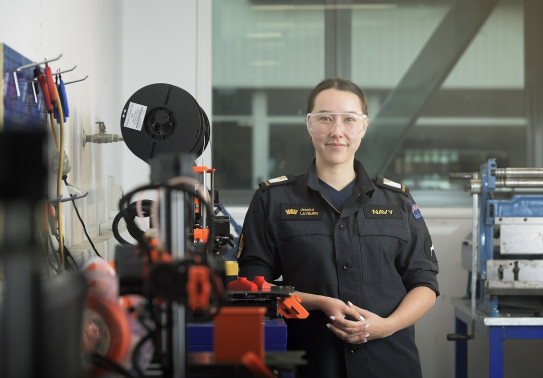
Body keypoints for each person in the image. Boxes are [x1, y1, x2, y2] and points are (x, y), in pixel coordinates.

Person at [236, 78, 439, 378]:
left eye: (348, 120)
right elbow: (253, 284)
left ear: (364, 126)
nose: (337, 131)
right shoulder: (272, 199)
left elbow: (425, 283)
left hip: (390, 363)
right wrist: (318, 302)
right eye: (325, 118)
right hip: (309, 364)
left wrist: (386, 326)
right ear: (309, 124)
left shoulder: (397, 200)